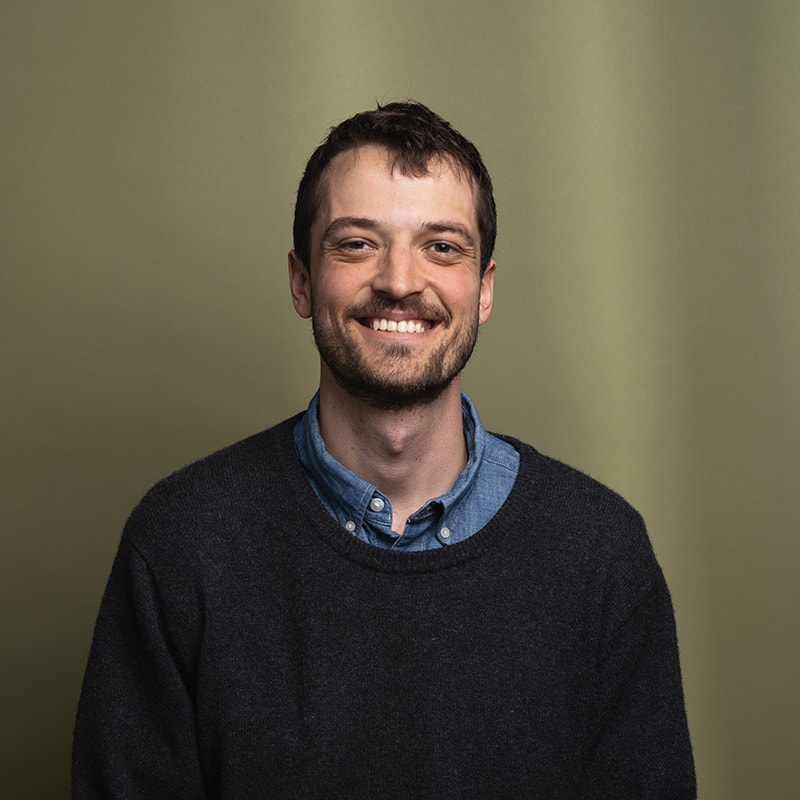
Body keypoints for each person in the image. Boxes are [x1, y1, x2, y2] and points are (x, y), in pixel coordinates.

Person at [73, 101, 696, 798]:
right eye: (357, 244)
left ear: (484, 290)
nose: (400, 280)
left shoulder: (600, 553)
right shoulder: (182, 543)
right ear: (302, 280)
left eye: (442, 247)